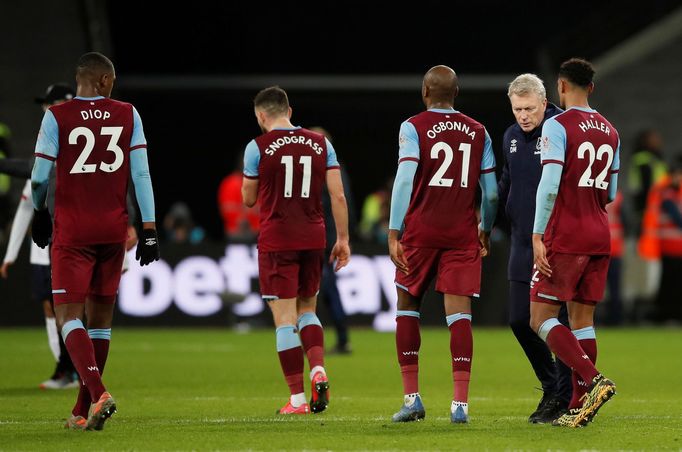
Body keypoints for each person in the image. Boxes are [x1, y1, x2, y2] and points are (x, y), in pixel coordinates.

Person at [30, 52, 160, 431]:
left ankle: (99, 392)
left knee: (69, 316)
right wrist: (149, 229)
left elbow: (39, 177)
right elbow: (141, 174)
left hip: (73, 231)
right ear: (103, 81)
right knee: (100, 322)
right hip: (113, 230)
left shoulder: (56, 117)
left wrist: (40, 212)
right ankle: (80, 410)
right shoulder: (129, 114)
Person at [388, 65, 498, 424]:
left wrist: (393, 231)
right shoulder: (478, 131)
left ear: (425, 91)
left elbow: (405, 179)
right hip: (461, 234)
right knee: (459, 316)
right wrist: (486, 227)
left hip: (420, 233)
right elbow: (492, 192)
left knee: (408, 307)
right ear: (456, 93)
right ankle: (460, 405)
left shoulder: (413, 126)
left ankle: (412, 399)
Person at [241, 86, 350, 415]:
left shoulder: (257, 147)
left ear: (262, 116)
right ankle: (318, 367)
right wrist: (343, 239)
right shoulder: (321, 143)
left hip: (278, 239)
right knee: (308, 311)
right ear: (290, 109)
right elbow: (338, 196)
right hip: (313, 237)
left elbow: (248, 198)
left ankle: (298, 399)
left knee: (284, 319)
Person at [530, 58, 619, 428]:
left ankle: (594, 378)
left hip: (566, 235)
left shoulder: (557, 125)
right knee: (583, 321)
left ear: (561, 87)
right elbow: (611, 191)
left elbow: (550, 184)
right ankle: (578, 406)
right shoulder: (611, 130)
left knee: (541, 317)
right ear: (592, 88)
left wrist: (537, 234)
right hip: (600, 232)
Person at [498, 73, 572, 423]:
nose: (523, 116)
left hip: (555, 241)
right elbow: (507, 182)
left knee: (560, 320)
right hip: (521, 239)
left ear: (545, 103)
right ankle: (552, 385)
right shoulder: (511, 136)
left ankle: (567, 394)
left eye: (529, 108)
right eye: (517, 109)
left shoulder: (561, 128)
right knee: (518, 320)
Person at [1, 83, 78, 390]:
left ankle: (72, 368)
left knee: (67, 306)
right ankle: (65, 367)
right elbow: (25, 202)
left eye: (48, 104)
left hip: (67, 238)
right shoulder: (47, 139)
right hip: (42, 244)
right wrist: (9, 255)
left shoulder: (67, 143)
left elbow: (30, 169)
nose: (43, 109)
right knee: (51, 306)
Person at [311, 126, 354, 354]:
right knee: (327, 291)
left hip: (322, 239)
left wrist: (343, 237)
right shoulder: (332, 168)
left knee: (318, 290)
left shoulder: (323, 169)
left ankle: (313, 340)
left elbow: (341, 200)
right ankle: (341, 339)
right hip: (323, 237)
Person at [638, 155, 682, 322]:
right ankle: (668, 315)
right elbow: (677, 218)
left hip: (677, 247)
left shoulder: (673, 193)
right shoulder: (667, 194)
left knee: (673, 283)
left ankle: (671, 314)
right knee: (670, 284)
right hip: (669, 247)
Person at [628, 128, 667, 232]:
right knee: (646, 231)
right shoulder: (643, 158)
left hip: (655, 200)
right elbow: (646, 183)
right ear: (645, 141)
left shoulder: (655, 157)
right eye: (653, 138)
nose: (658, 140)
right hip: (647, 201)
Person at [218, 157, 259, 241]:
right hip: (236, 233)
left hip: (257, 232)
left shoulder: (257, 182)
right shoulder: (230, 182)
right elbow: (226, 208)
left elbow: (261, 207)